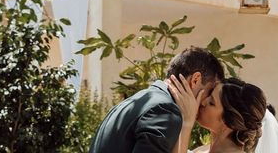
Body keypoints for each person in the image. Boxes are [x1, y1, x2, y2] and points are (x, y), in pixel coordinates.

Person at [89, 47, 224, 153]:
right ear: (195, 80)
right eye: (210, 92)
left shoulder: (141, 99)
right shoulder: (165, 110)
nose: (206, 102)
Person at [169, 75, 267, 152]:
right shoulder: (202, 150)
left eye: (211, 103)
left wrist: (187, 123)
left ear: (228, 120)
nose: (203, 102)